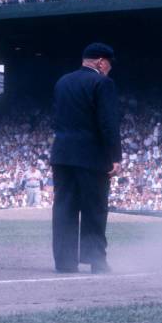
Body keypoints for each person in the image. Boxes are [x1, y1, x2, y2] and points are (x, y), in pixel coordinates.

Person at [50, 43, 122, 274]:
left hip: (62, 154)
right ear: (101, 62)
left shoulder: (63, 81)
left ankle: (64, 262)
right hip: (91, 156)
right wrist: (115, 156)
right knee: (94, 209)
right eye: (109, 65)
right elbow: (108, 124)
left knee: (64, 209)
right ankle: (96, 261)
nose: (109, 70)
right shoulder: (102, 83)